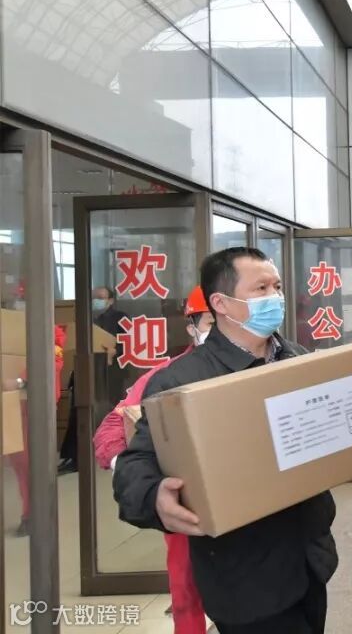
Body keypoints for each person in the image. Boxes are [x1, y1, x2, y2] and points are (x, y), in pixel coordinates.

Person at [113, 248, 337, 634]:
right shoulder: (182, 380)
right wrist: (153, 495)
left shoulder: (297, 359)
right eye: (261, 289)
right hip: (244, 577)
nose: (275, 297)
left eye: (277, 287)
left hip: (310, 559)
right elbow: (136, 463)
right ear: (221, 303)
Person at [94, 286, 213, 634]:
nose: (220, 331)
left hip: (257, 513)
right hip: (188, 510)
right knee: (187, 597)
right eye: (210, 323)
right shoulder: (167, 376)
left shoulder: (264, 368)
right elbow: (111, 429)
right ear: (191, 327)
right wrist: (140, 475)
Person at [2, 324, 66, 537]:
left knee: (31, 464)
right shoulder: (13, 325)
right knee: (20, 464)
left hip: (33, 410)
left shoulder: (48, 329)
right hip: (12, 407)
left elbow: (53, 364)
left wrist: (20, 381)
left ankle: (32, 515)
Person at [58, 286, 128, 475]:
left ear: (111, 300)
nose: (96, 300)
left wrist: (115, 350)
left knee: (110, 414)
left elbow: (129, 343)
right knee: (79, 414)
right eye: (95, 297)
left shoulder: (121, 318)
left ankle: (111, 453)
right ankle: (74, 457)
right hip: (87, 371)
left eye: (101, 297)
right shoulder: (87, 318)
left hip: (110, 374)